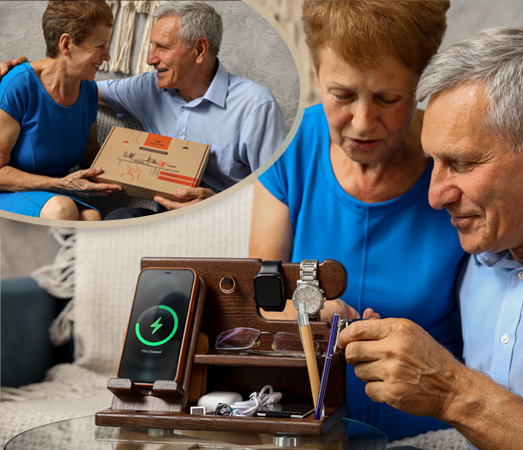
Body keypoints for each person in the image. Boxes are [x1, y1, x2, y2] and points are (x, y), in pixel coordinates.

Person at [339, 26, 523, 449]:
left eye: (461, 162)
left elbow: (453, 391)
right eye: (434, 162)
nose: (435, 196)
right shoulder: (475, 250)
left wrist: (453, 394)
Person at [249, 1, 465, 440]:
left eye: (388, 98)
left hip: (430, 439)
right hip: (308, 433)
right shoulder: (288, 147)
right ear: (315, 75)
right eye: (342, 95)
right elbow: (259, 306)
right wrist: (304, 313)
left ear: (422, 85)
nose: (363, 123)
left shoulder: (458, 165)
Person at [2, 1, 287, 217]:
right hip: (162, 214)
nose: (150, 59)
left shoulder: (255, 106)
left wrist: (215, 200)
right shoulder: (144, 87)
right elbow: (58, 89)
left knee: (91, 217)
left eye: (162, 47)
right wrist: (18, 73)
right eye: (151, 46)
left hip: (224, 215)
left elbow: (282, 192)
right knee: (114, 217)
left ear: (200, 50)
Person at [0, 0, 121, 220]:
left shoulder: (89, 89)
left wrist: (137, 170)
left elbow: (89, 154)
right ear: (66, 45)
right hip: (11, 191)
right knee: (62, 209)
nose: (107, 56)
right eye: (100, 45)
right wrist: (61, 184)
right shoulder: (17, 85)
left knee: (92, 217)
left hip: (59, 192)